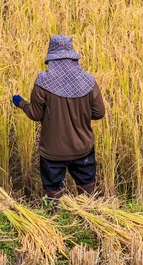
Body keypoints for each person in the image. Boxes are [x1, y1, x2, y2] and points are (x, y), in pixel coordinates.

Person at [12, 35, 105, 204]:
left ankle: (52, 220)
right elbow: (99, 113)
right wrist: (80, 112)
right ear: (72, 56)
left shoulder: (43, 81)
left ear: (51, 57)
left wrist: (21, 103)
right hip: (82, 148)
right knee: (87, 191)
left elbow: (35, 114)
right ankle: (90, 214)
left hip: (52, 152)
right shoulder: (88, 81)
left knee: (52, 191)